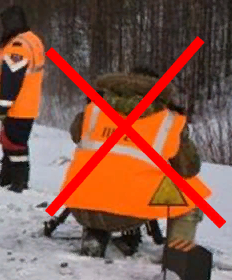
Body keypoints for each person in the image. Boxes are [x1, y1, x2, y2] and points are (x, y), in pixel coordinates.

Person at [61, 67, 212, 259]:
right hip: (125, 212)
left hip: (80, 205)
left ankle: (95, 234)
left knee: (103, 168)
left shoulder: (94, 109)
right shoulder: (167, 120)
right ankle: (177, 258)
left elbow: (76, 135)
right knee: (192, 192)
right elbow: (189, 168)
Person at [0, 5, 46, 192]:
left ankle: (18, 183)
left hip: (17, 107)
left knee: (15, 146)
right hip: (27, 106)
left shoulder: (18, 46)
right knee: (12, 144)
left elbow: (11, 78)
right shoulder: (33, 40)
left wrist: (3, 105)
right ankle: (6, 180)